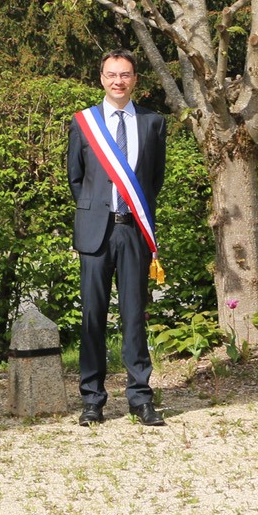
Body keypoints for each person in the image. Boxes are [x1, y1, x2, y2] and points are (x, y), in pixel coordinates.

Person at [66, 50, 168, 427]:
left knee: (133, 316)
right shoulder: (83, 124)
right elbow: (76, 179)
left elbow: (154, 179)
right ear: (101, 78)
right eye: (111, 75)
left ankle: (140, 398)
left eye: (125, 75)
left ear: (135, 79)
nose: (118, 81)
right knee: (92, 316)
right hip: (95, 232)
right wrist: (96, 211)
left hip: (133, 231)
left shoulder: (153, 123)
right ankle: (92, 399)